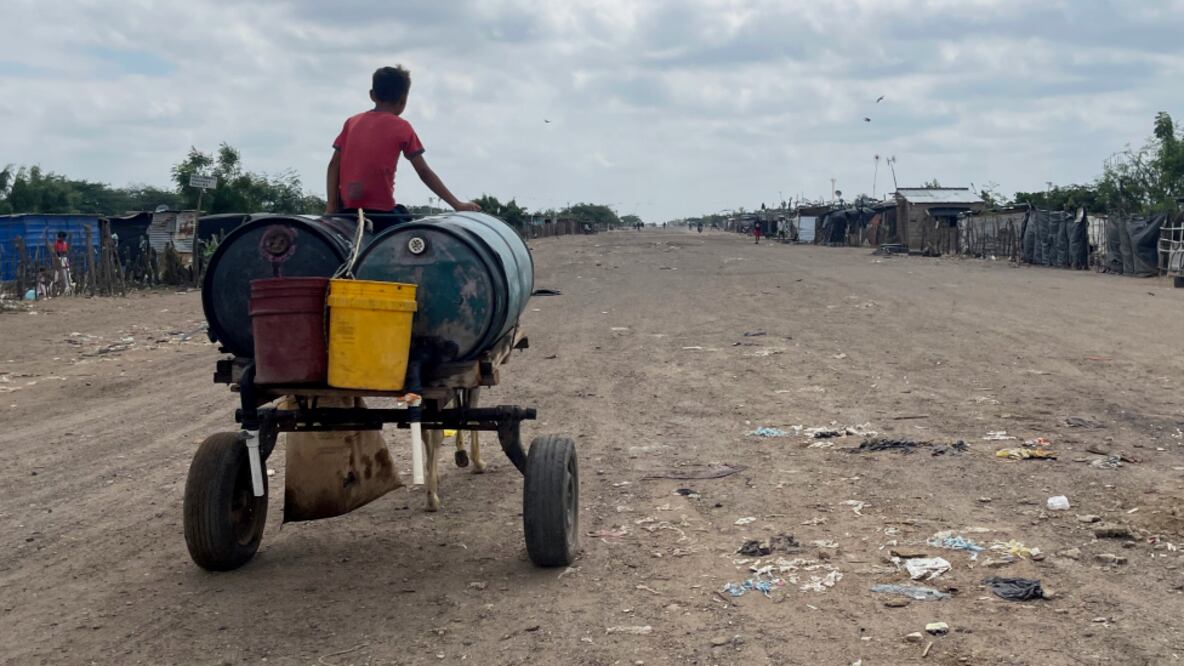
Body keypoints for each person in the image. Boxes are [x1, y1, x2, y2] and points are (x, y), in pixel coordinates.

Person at [326, 66, 479, 216]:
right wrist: (457, 204)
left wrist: (331, 207)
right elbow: (424, 172)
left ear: (372, 95)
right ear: (403, 100)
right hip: (381, 212)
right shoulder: (402, 127)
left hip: (346, 209)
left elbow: (334, 165)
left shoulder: (351, 122)